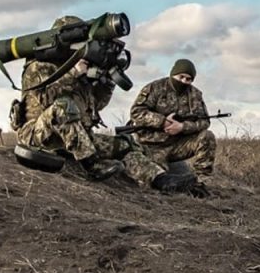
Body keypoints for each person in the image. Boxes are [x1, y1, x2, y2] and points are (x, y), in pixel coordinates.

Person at [13, 16, 193, 193]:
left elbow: (96, 105)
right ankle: (92, 165)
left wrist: (107, 83)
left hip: (76, 138)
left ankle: (161, 180)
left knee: (126, 144)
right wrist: (74, 73)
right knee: (63, 105)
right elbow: (45, 98)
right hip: (39, 135)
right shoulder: (39, 65)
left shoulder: (81, 67)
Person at [127, 59, 216, 192]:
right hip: (152, 146)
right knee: (157, 179)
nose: (184, 81)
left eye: (188, 79)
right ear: (173, 74)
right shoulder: (154, 88)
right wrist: (162, 122)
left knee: (207, 136)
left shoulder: (195, 95)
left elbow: (204, 122)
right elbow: (136, 112)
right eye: (181, 77)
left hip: (178, 145)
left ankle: (200, 183)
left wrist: (182, 127)